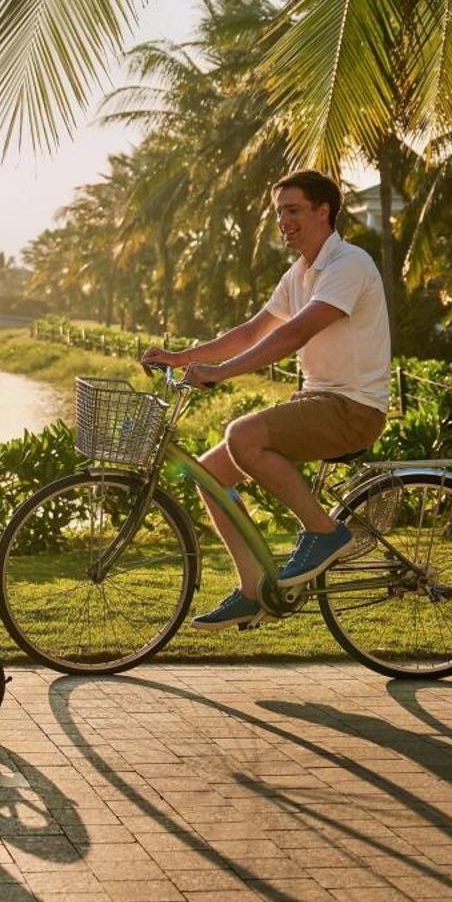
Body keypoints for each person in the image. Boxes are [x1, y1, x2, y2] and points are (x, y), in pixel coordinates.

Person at [141, 168, 390, 630]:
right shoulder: (299, 274)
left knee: (243, 434)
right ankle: (252, 590)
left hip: (354, 409)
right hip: (317, 401)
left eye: (294, 210)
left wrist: (219, 373)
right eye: (279, 213)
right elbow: (253, 331)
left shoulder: (348, 265)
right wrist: (181, 358)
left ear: (324, 211)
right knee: (211, 472)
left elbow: (295, 333)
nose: (284, 221)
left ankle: (325, 532)